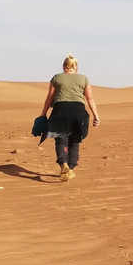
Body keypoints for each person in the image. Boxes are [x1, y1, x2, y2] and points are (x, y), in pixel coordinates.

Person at [39, 54, 100, 182]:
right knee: (75, 140)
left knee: (61, 139)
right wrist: (96, 115)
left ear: (64, 66)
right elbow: (90, 98)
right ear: (76, 67)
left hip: (60, 110)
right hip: (78, 111)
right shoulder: (84, 79)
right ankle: (71, 169)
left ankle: (64, 165)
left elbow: (49, 97)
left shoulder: (57, 78)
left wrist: (44, 112)